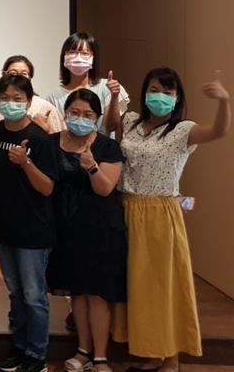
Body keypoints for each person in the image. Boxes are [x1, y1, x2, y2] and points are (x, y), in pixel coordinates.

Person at [106, 69, 230, 372]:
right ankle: (153, 353)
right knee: (136, 286)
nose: (159, 96)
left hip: (160, 214)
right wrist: (113, 96)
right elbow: (110, 125)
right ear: (144, 92)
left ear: (177, 98)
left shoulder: (183, 130)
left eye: (167, 92)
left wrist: (224, 101)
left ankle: (171, 359)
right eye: (154, 89)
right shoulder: (132, 121)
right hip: (126, 208)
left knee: (163, 286)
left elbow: (218, 131)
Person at [44, 89, 126, 372]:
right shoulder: (51, 142)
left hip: (100, 229)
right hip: (65, 229)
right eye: (74, 113)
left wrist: (91, 167)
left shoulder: (108, 147)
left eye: (88, 114)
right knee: (77, 293)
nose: (80, 119)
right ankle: (82, 351)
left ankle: (100, 356)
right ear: (65, 113)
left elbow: (105, 188)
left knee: (97, 295)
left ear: (97, 118)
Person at [0, 74, 58, 372]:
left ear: (29, 102)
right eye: (5, 98)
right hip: (2, 228)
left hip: (33, 231)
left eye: (18, 99)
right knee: (15, 292)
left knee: (33, 295)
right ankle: (19, 346)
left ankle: (37, 354)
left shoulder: (41, 138)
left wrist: (25, 162)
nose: (11, 103)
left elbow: (47, 188)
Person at [44, 33, 129, 132]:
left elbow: (111, 127)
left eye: (84, 53)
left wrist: (114, 96)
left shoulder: (107, 87)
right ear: (64, 56)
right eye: (72, 52)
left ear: (93, 57)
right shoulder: (53, 96)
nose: (78, 57)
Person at [0, 56, 64, 133]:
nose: (17, 78)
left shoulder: (45, 108)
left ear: (30, 77)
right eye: (12, 73)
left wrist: (43, 132)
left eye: (24, 74)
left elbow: (60, 137)